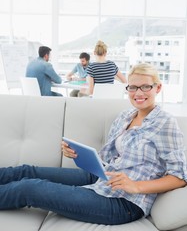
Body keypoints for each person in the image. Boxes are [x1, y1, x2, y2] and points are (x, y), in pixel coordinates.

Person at [0, 63, 187, 225]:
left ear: (158, 88)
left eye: (145, 87)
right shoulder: (125, 117)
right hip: (103, 177)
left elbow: (180, 177)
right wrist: (77, 153)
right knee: (26, 171)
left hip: (124, 202)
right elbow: (108, 158)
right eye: (133, 87)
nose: (138, 93)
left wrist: (136, 186)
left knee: (29, 188)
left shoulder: (165, 123)